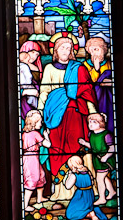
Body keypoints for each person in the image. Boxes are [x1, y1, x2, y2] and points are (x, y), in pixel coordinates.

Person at [37, 32, 98, 183]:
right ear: (55, 50)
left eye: (68, 48)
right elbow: (44, 92)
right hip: (55, 116)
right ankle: (60, 190)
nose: (65, 51)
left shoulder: (78, 68)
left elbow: (87, 92)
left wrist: (93, 113)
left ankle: (85, 184)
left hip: (76, 115)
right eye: (62, 48)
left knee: (78, 146)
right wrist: (40, 111)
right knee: (57, 151)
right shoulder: (49, 69)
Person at [78, 112, 116, 206]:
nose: (90, 124)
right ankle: (112, 192)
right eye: (89, 122)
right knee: (105, 177)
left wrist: (106, 156)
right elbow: (93, 146)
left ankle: (102, 198)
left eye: (94, 122)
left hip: (105, 160)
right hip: (97, 160)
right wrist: (84, 143)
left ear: (101, 123)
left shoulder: (106, 135)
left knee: (99, 179)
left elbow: (112, 148)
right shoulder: (92, 135)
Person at [82, 36, 114, 133]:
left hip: (108, 97)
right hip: (93, 97)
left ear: (103, 50)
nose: (93, 53)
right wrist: (96, 69)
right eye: (91, 51)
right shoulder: (85, 65)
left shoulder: (109, 64)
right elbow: (88, 82)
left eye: (96, 49)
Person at [64, 155, 107, 220]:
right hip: (90, 194)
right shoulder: (87, 171)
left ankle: (89, 213)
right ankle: (90, 212)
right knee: (85, 206)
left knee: (70, 214)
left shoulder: (74, 175)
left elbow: (68, 186)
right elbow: (92, 182)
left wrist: (69, 175)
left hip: (81, 195)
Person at [22, 109, 50, 212]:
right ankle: (24, 205)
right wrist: (46, 136)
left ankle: (40, 198)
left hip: (30, 157)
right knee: (33, 179)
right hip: (31, 158)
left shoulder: (25, 133)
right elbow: (48, 145)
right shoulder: (35, 134)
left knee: (41, 176)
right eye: (39, 121)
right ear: (34, 123)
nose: (41, 123)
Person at [18, 40, 42, 120]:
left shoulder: (36, 68)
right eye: (32, 52)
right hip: (22, 99)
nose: (34, 56)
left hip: (35, 94)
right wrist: (25, 92)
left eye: (37, 54)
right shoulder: (20, 66)